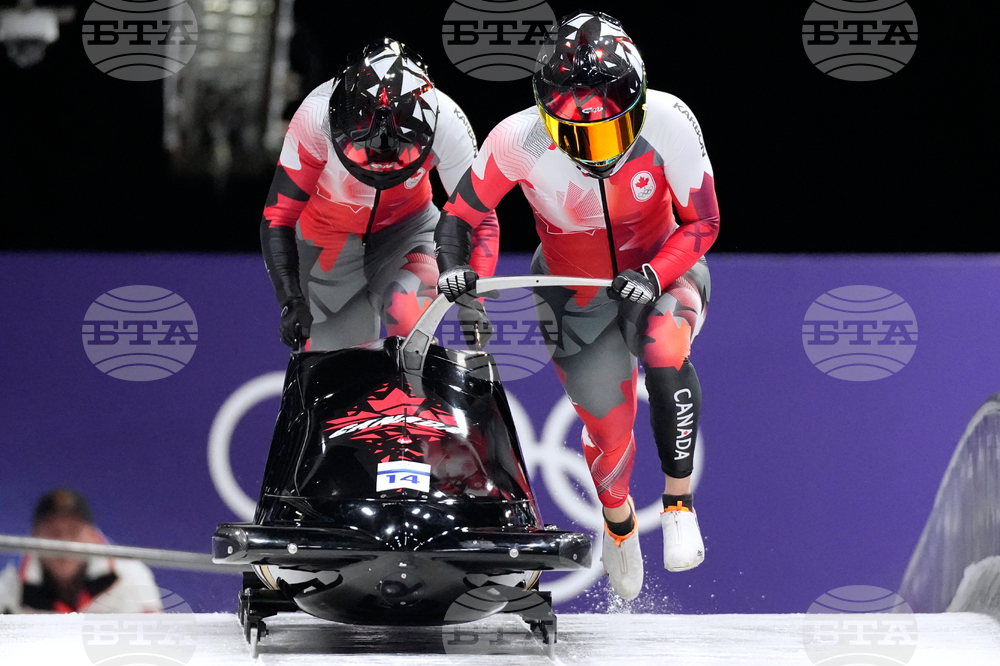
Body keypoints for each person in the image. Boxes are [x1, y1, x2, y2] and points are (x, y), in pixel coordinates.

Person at [434, 11, 720, 600]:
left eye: (609, 131)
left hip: (664, 267)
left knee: (666, 343)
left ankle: (678, 503)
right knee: (608, 430)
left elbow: (704, 222)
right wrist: (459, 273)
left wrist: (654, 272)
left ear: (636, 108)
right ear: (547, 118)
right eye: (575, 133)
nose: (595, 150)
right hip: (573, 290)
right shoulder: (519, 138)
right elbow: (460, 216)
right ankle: (620, 525)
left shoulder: (669, 120)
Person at [261, 37, 498, 351]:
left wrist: (474, 301)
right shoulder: (314, 118)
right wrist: (290, 300)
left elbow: (480, 220)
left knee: (407, 312)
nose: (380, 170)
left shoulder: (449, 123)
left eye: (394, 160)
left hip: (408, 230)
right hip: (327, 238)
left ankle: (418, 392)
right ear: (340, 119)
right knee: (341, 365)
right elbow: (278, 218)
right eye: (367, 155)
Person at [0, 488, 162, 613]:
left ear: (93, 536)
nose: (64, 543)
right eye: (53, 532)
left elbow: (152, 646)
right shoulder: (9, 588)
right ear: (34, 536)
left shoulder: (131, 575)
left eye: (74, 531)